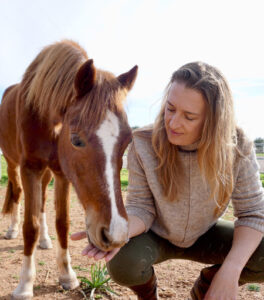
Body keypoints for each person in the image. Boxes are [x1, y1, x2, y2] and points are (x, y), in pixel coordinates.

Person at [71, 62, 264, 300]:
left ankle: (206, 289)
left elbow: (253, 213)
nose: (172, 123)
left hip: (207, 233)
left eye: (189, 117)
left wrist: (231, 271)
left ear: (214, 121)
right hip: (156, 235)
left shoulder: (237, 145)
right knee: (123, 261)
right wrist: (118, 230)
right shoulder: (142, 142)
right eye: (170, 109)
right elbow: (141, 207)